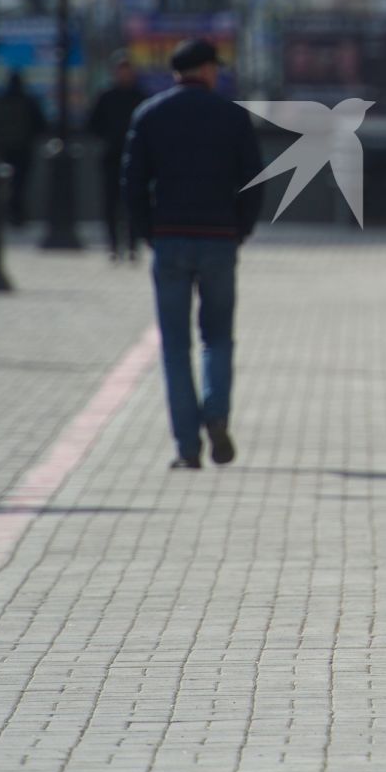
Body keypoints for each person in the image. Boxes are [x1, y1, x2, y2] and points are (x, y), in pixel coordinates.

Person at [122, 38, 265, 471]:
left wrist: (149, 232)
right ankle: (217, 412)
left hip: (170, 238)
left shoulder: (149, 115)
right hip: (219, 237)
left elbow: (132, 183)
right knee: (218, 337)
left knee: (174, 346)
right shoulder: (233, 116)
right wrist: (239, 230)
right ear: (205, 71)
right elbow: (255, 181)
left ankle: (187, 446)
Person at [86, 53, 146, 262]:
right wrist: (108, 137)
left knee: (133, 201)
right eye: (121, 71)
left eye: (127, 70)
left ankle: (132, 244)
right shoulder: (106, 97)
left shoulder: (140, 97)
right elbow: (93, 124)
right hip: (111, 157)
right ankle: (113, 244)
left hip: (136, 158)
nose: (124, 75)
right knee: (110, 203)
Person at [0, 71, 47, 228]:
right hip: (24, 148)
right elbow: (41, 125)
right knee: (20, 183)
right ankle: (18, 213)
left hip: (4, 148)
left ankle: (8, 211)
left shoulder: (0, 101)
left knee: (5, 183)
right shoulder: (29, 101)